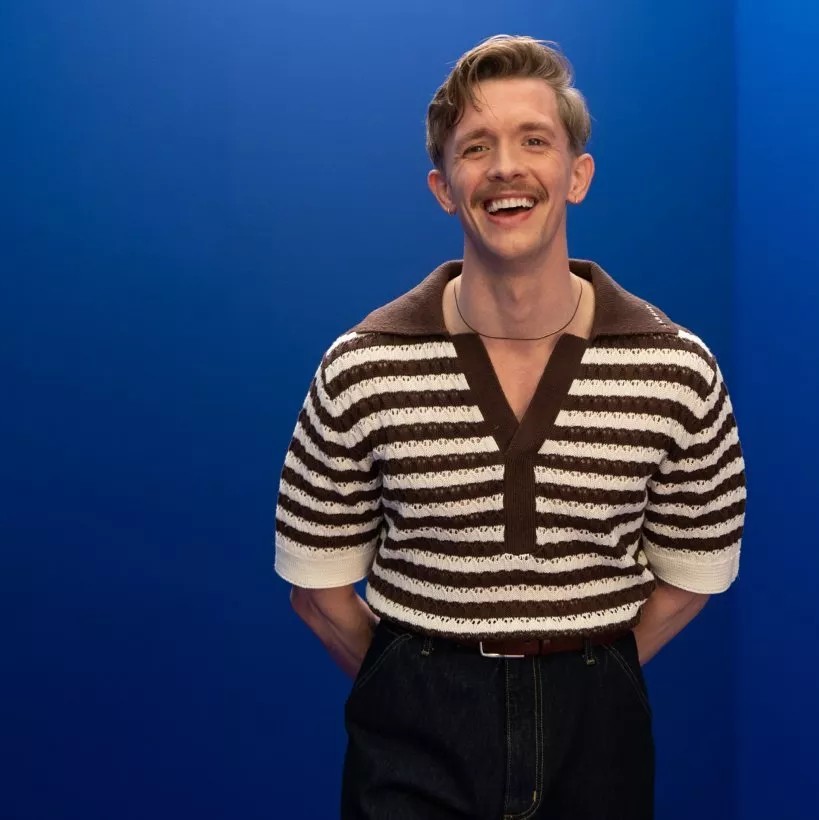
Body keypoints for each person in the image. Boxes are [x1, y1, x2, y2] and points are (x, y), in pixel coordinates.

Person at [274, 34, 746, 820]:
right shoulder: (362, 367)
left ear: (577, 174)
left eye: (534, 140)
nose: (504, 168)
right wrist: (418, 688)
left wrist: (582, 678)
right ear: (443, 188)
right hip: (412, 742)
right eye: (475, 147)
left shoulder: (677, 370)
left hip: (600, 743)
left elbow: (696, 573)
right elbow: (317, 589)